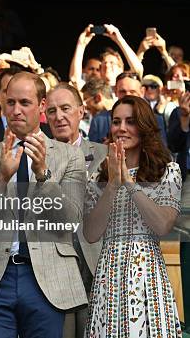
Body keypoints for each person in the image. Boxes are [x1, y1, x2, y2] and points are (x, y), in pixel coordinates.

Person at [0, 72, 87, 338]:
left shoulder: (70, 157)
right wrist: (1, 179)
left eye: (25, 103)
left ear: (41, 106)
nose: (16, 110)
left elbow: (72, 219)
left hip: (47, 278)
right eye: (10, 103)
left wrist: (43, 176)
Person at [83, 95, 182, 337]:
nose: (122, 128)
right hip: (109, 276)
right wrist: (113, 185)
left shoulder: (168, 170)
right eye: (116, 122)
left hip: (147, 276)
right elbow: (91, 234)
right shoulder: (98, 177)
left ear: (145, 127)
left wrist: (129, 182)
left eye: (130, 121)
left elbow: (162, 225)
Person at [44, 83, 107, 338]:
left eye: (65, 108)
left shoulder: (105, 155)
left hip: (97, 269)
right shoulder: (34, 157)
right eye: (51, 111)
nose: (59, 116)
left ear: (81, 111)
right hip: (51, 275)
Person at [69, 24, 143, 89]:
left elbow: (137, 71)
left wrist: (119, 39)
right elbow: (75, 80)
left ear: (121, 69)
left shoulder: (126, 90)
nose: (107, 65)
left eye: (112, 63)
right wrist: (81, 44)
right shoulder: (92, 92)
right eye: (104, 63)